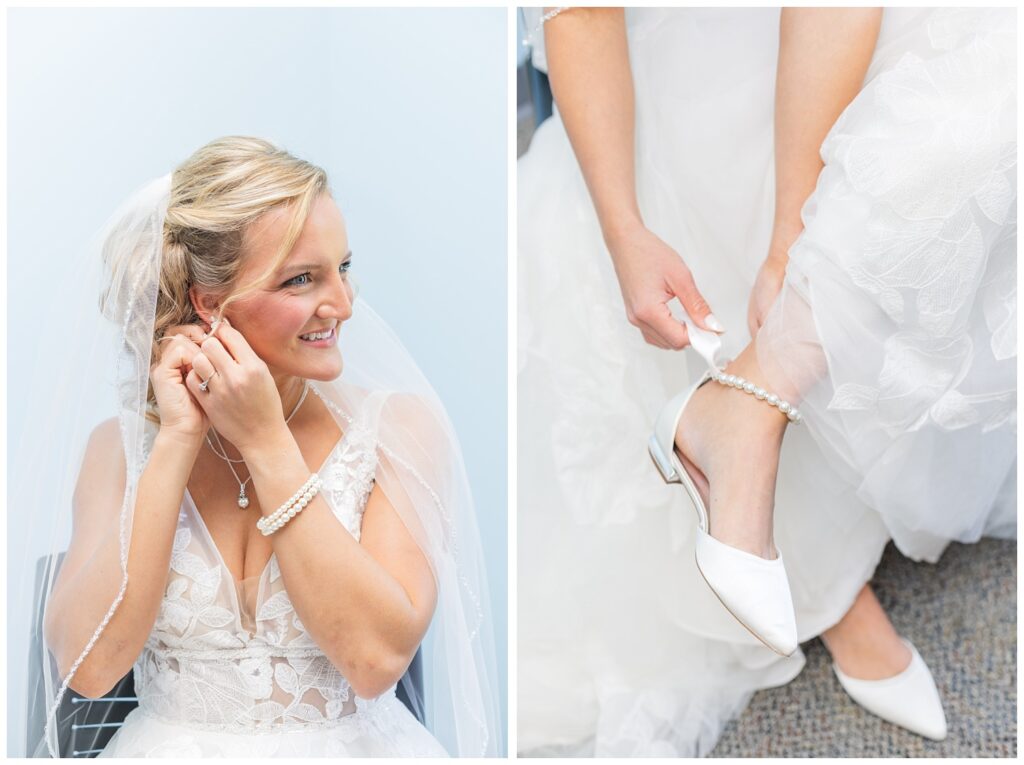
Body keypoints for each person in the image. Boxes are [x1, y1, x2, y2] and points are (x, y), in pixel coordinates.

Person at [518, 7, 1015, 756]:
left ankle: (745, 403)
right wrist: (625, 233)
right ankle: (807, 547)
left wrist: (794, 241)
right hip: (660, 80)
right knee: (707, 159)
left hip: (831, 36)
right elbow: (581, 12)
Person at [33, 137, 500, 757]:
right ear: (207, 303)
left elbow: (375, 660)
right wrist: (175, 439)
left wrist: (265, 439)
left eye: (345, 268)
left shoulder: (400, 430)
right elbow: (86, 670)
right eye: (302, 279)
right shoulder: (116, 451)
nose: (344, 304)